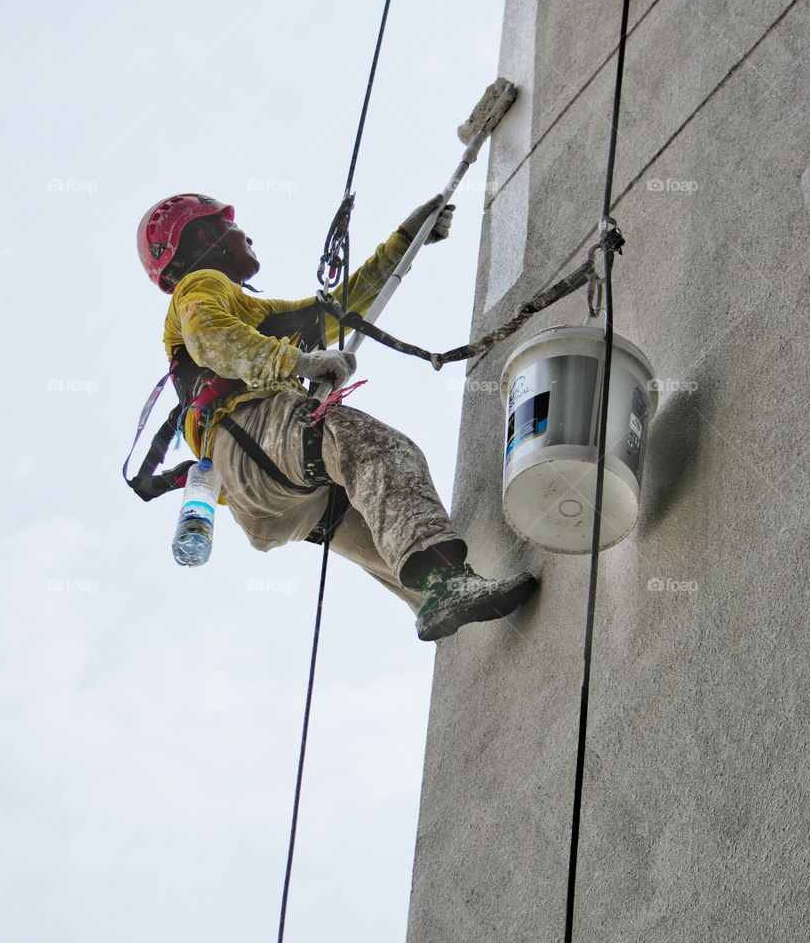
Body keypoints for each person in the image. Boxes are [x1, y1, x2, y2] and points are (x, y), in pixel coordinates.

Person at [136, 192, 538, 640]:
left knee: (388, 532)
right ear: (207, 235)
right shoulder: (202, 285)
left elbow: (339, 311)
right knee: (378, 450)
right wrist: (297, 364)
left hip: (260, 493)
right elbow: (210, 338)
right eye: (230, 227)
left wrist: (406, 241)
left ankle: (446, 603)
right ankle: (447, 581)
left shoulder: (252, 311)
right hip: (250, 439)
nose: (244, 234)